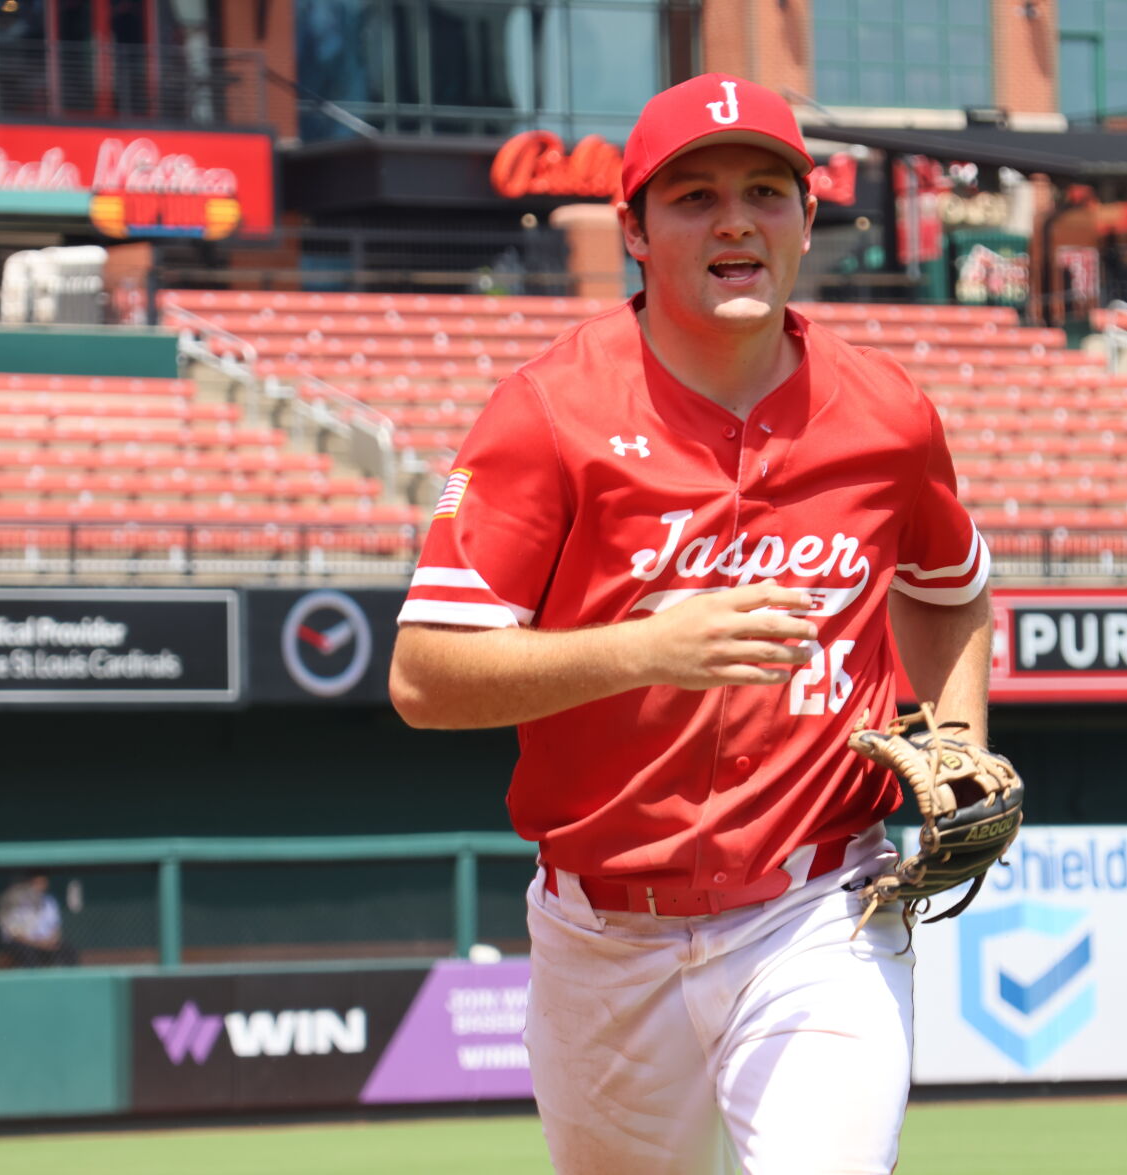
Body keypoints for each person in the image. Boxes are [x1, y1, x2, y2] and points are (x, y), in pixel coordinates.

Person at [390, 73, 993, 1175]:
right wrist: (645, 649)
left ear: (806, 220)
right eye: (692, 195)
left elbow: (949, 587)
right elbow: (426, 677)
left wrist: (957, 732)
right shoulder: (547, 411)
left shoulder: (886, 415)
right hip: (601, 926)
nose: (734, 219)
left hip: (820, 904)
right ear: (632, 229)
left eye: (767, 190)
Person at [0, 871, 79, 968]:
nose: (39, 886)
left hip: (45, 942)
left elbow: (56, 928)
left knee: (68, 950)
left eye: (42, 883)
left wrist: (51, 941)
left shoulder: (49, 901)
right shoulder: (12, 901)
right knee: (29, 954)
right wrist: (39, 944)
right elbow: (14, 935)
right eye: (36, 883)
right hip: (22, 943)